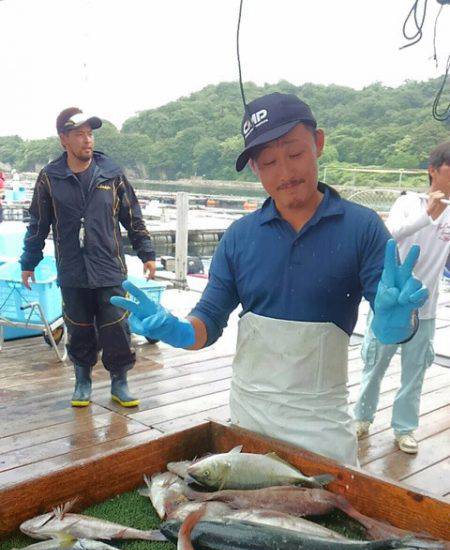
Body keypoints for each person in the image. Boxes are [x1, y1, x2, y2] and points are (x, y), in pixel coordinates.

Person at [111, 92, 428, 466]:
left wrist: (394, 322)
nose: (285, 172)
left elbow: (392, 319)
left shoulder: (363, 228)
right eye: (268, 162)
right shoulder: (239, 237)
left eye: (294, 154)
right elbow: (209, 320)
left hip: (323, 422)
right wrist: (177, 330)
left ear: (319, 143)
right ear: (255, 170)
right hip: (249, 416)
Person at [20, 107, 156, 407]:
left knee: (117, 328)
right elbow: (38, 223)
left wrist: (147, 253)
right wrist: (28, 262)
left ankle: (120, 382)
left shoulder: (112, 173)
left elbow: (133, 217)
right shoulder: (50, 177)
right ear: (63, 140)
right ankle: (82, 381)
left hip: (109, 268)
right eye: (79, 134)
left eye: (90, 133)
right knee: (78, 328)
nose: (87, 140)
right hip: (73, 270)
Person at [354, 142, 450, 454]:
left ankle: (405, 429)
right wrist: (427, 214)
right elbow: (388, 235)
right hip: (390, 305)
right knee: (375, 365)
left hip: (426, 308)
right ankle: (361, 418)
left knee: (415, 372)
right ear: (433, 170)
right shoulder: (409, 202)